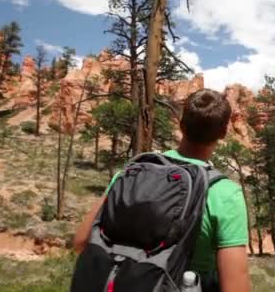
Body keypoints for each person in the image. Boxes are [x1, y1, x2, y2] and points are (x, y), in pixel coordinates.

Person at [74, 88, 251, 292]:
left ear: (181, 124)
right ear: (223, 132)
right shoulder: (224, 193)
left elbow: (80, 240)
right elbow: (235, 286)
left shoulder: (132, 172)